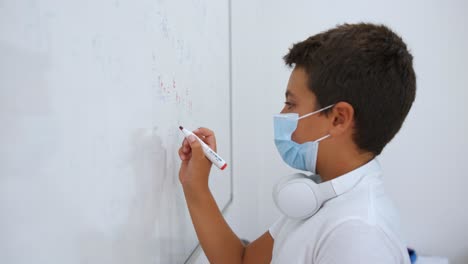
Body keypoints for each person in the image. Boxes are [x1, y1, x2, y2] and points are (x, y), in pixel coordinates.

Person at [178, 23, 416, 264]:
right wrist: (195, 186)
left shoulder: (358, 236)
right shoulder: (319, 194)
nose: (282, 113)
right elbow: (242, 261)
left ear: (338, 118)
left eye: (291, 104)